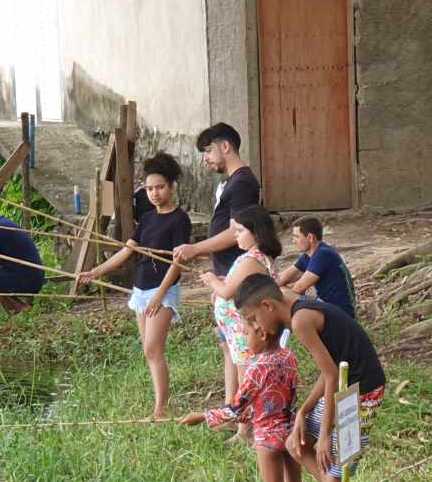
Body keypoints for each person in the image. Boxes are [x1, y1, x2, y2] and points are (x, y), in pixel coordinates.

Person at [236, 264, 388, 482]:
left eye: (252, 320)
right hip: (345, 389)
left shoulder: (301, 320)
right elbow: (329, 369)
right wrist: (304, 413)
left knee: (332, 473)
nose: (256, 328)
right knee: (296, 443)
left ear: (267, 306)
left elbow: (333, 375)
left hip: (361, 395)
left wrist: (326, 435)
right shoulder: (296, 309)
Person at [182, 285, 319, 482]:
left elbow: (233, 409)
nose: (244, 338)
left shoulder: (257, 367)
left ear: (263, 332)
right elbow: (279, 398)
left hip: (268, 439)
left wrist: (201, 417)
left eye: (247, 332)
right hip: (291, 430)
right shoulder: (288, 358)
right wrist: (253, 414)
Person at [85, 152, 190, 419]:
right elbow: (126, 252)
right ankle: (159, 406)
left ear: (171, 187)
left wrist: (160, 295)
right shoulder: (146, 219)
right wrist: (94, 272)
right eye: (150, 188)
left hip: (162, 290)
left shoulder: (180, 219)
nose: (154, 193)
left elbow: (177, 263)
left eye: (160, 187)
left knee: (153, 348)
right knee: (149, 351)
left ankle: (161, 409)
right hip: (140, 289)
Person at [198, 205, 282, 441]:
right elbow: (237, 286)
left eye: (240, 231)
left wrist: (212, 280)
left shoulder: (252, 258)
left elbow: (226, 292)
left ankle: (250, 430)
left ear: (255, 232)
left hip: (247, 330)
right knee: (245, 376)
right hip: (239, 330)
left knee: (249, 380)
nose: (235, 236)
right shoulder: (251, 258)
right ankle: (244, 427)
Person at [172, 122, 262, 279]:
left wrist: (195, 248)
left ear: (225, 146)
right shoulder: (234, 181)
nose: (205, 159)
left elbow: (236, 231)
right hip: (229, 271)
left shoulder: (242, 183)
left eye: (208, 151)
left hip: (239, 272)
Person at [276, 217, 355, 317]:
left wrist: (276, 293)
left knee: (284, 295)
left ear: (310, 237)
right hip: (325, 304)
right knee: (280, 291)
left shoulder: (323, 254)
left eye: (296, 237)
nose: (293, 241)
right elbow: (282, 278)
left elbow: (299, 288)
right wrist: (264, 288)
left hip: (339, 312)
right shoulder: (308, 255)